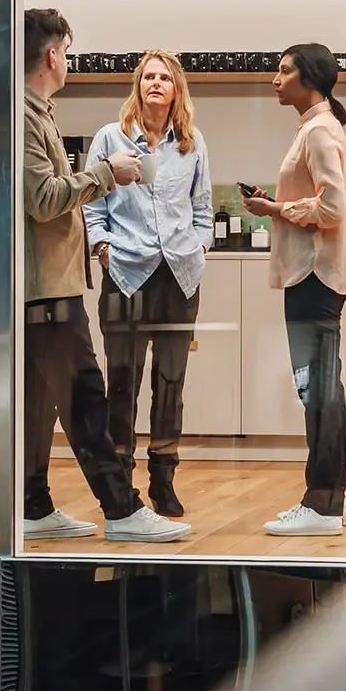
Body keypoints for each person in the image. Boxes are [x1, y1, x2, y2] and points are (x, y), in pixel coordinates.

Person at [0, 8, 191, 544]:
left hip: (45, 284)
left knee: (40, 406)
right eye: (66, 53)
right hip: (42, 288)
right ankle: (122, 509)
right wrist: (105, 175)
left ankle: (33, 505)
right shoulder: (14, 116)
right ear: (52, 55)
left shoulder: (26, 111)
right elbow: (44, 200)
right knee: (89, 400)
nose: (67, 61)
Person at [83, 51, 212, 520]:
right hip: (126, 274)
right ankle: (121, 483)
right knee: (122, 382)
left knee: (171, 383)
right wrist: (102, 248)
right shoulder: (109, 138)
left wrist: (199, 248)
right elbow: (92, 206)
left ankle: (163, 478)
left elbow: (203, 210)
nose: (155, 84)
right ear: (137, 86)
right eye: (148, 77)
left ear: (176, 89)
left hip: (179, 276)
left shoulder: (192, 143)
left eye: (164, 78)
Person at [242, 43, 346, 535]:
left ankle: (323, 504)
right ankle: (334, 496)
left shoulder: (317, 131)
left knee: (318, 390)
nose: (275, 79)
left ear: (309, 78)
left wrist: (275, 210)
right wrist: (283, 205)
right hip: (316, 273)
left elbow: (331, 208)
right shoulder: (318, 127)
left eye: (284, 71)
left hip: (315, 274)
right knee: (322, 388)